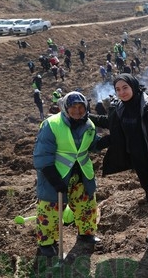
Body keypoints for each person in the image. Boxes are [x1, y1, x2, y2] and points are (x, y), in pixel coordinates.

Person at [91, 74, 148, 242]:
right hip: (138, 160)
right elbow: (109, 123)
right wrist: (86, 116)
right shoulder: (119, 108)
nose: (122, 92)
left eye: (125, 88)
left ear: (133, 86)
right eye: (118, 89)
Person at [33, 91, 102, 257]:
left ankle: (86, 234)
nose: (77, 111)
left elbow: (92, 145)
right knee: (50, 209)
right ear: (65, 107)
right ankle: (47, 243)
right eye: (73, 107)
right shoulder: (51, 124)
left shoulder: (89, 125)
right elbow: (42, 155)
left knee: (86, 205)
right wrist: (55, 180)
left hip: (81, 174)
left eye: (81, 107)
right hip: (56, 175)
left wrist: (110, 140)